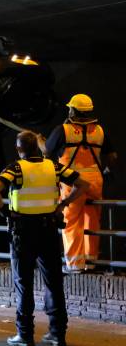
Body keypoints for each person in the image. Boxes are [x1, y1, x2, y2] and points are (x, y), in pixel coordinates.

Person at [0, 131, 89, 346]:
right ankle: (57, 334)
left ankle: (25, 335)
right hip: (48, 230)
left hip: (22, 232)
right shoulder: (53, 167)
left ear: (19, 149)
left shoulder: (15, 168)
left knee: (23, 283)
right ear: (37, 148)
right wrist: (63, 204)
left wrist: (4, 211)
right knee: (54, 282)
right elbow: (83, 184)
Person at [41, 94, 118, 273]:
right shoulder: (99, 131)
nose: (68, 110)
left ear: (74, 110)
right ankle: (91, 262)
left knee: (71, 221)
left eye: (70, 108)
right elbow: (113, 156)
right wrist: (106, 171)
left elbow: (46, 150)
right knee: (92, 220)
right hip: (95, 182)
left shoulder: (62, 130)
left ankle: (75, 265)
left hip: (72, 182)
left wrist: (39, 141)